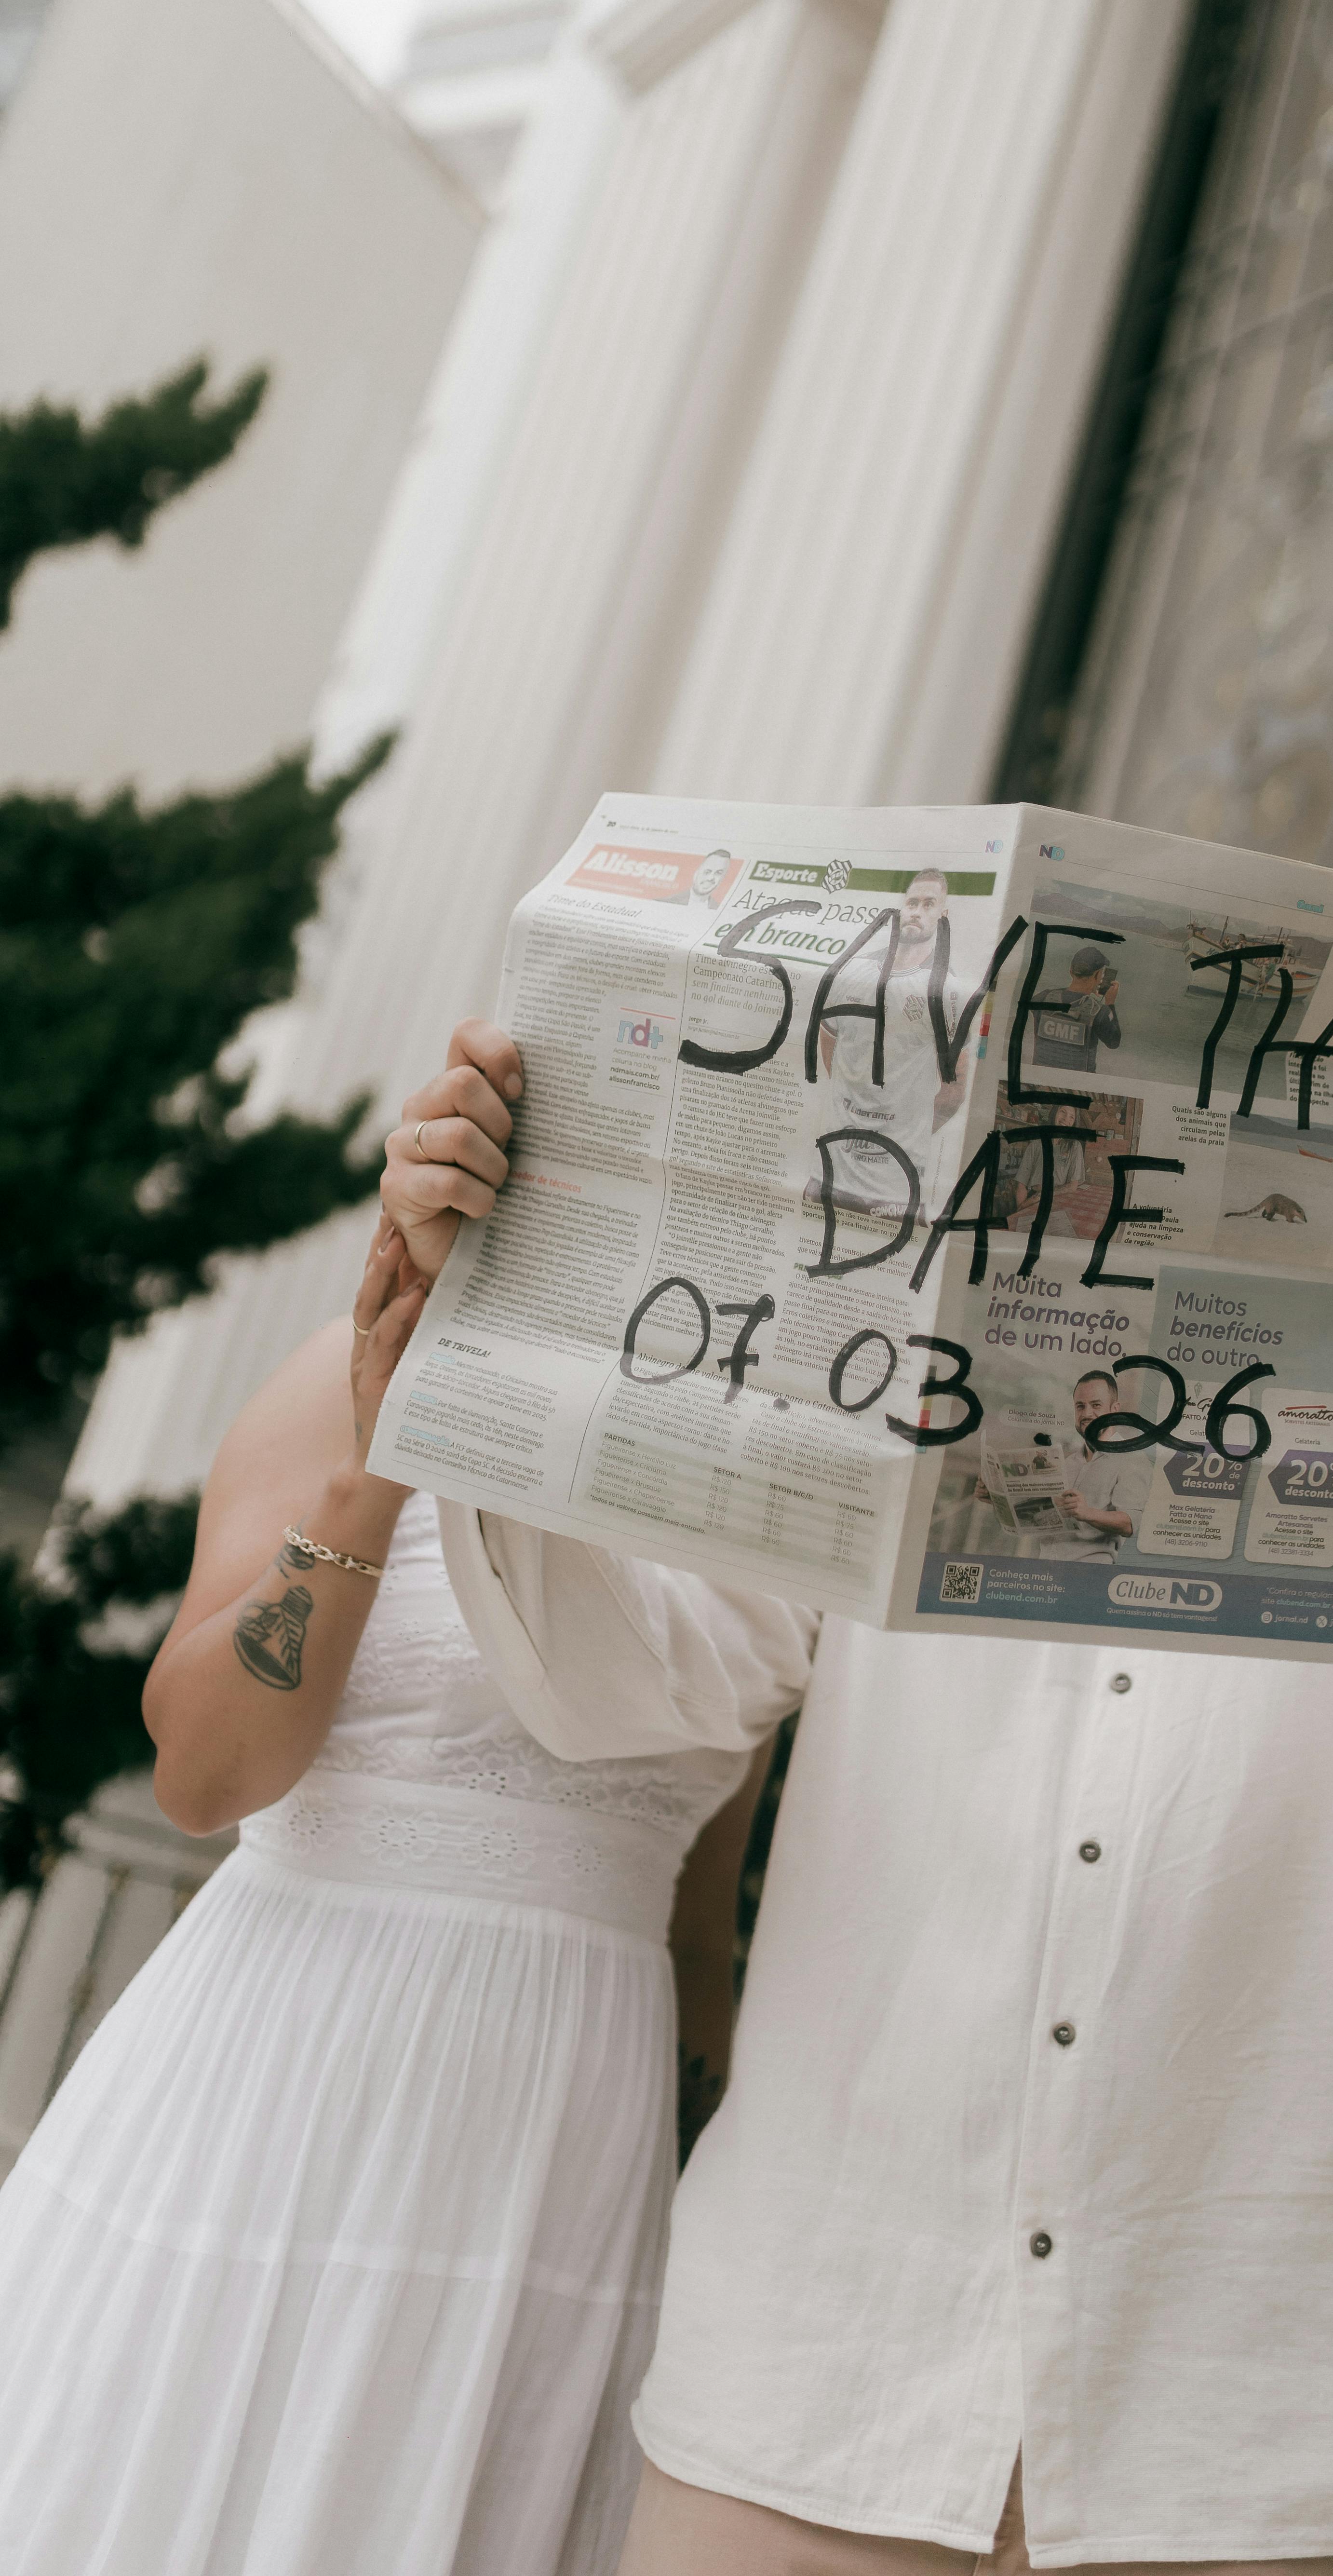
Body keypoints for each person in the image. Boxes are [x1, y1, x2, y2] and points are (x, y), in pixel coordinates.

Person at [388, 1025, 1333, 2576]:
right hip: (802, 2414)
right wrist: (495, 1318)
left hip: (1226, 2466)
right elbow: (616, 1683)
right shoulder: (872, 1394)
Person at [0, 1049, 810, 2576]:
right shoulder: (342, 1369)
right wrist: (383, 1456)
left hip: (561, 2156)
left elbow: (699, 1924)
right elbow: (205, 1776)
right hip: (279, 2086)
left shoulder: (766, 1505)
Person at [816, 865, 969, 1220]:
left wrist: (906, 1130)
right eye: (912, 902)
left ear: (943, 916)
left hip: (897, 1183)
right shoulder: (853, 971)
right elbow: (829, 1041)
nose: (917, 911)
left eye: (929, 904)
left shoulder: (949, 989)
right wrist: (853, 1103)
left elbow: (955, 1089)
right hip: (833, 1170)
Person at [1040, 1369, 1146, 1563]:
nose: (1087, 1414)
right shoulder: (1066, 1463)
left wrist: (1087, 1513)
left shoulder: (1131, 1459)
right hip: (1045, 1570)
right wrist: (996, 1499)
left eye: (1096, 1405)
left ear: (1115, 1411)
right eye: (1080, 1406)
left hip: (1087, 1574)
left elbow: (1129, 1523)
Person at [1030, 942, 1122, 1082]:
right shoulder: (1098, 1011)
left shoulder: (1043, 998)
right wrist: (1110, 1003)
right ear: (1098, 975)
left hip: (1040, 1078)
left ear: (1071, 971)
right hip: (1077, 1083)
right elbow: (1114, 1043)